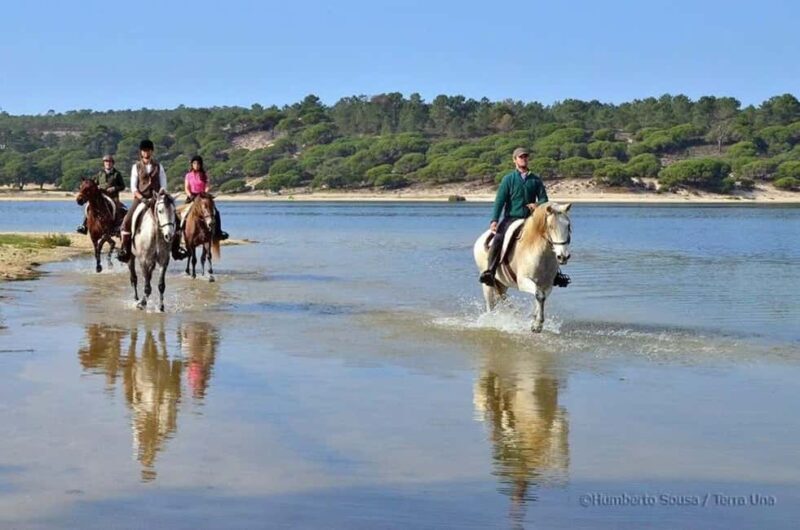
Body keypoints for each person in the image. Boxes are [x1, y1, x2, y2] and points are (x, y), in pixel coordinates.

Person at [479, 147, 570, 288]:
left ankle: (556, 273)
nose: (524, 159)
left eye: (526, 157)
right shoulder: (508, 179)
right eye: (521, 157)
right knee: (498, 238)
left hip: (531, 219)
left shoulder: (535, 180)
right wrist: (495, 220)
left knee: (550, 238)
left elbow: (544, 199)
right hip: (511, 218)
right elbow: (500, 201)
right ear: (514, 160)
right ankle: (490, 271)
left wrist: (537, 204)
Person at [117, 140, 187, 263]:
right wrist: (142, 198)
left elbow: (163, 184)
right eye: (144, 151)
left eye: (148, 150)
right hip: (140, 199)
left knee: (175, 219)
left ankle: (176, 249)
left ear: (152, 152)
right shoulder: (136, 167)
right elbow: (133, 187)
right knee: (127, 220)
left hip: (157, 198)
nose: (146, 153)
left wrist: (159, 195)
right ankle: (125, 249)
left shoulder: (159, 166)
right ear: (141, 152)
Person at [76, 154, 127, 234]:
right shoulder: (100, 173)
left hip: (112, 196)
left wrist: (114, 188)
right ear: (104, 163)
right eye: (106, 162)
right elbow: (94, 183)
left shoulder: (117, 174)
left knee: (117, 207)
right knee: (89, 206)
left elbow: (122, 186)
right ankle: (84, 226)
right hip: (101, 196)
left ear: (112, 163)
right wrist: (97, 187)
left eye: (109, 162)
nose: (108, 163)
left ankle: (117, 226)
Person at [182, 155, 228, 240]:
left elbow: (207, 186)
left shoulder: (205, 174)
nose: (196, 165)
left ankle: (218, 232)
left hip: (203, 196)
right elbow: (186, 187)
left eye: (198, 164)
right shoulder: (188, 175)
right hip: (192, 196)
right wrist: (190, 195)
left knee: (215, 212)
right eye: (194, 163)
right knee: (182, 213)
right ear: (192, 164)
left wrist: (204, 193)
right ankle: (180, 231)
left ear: (201, 165)